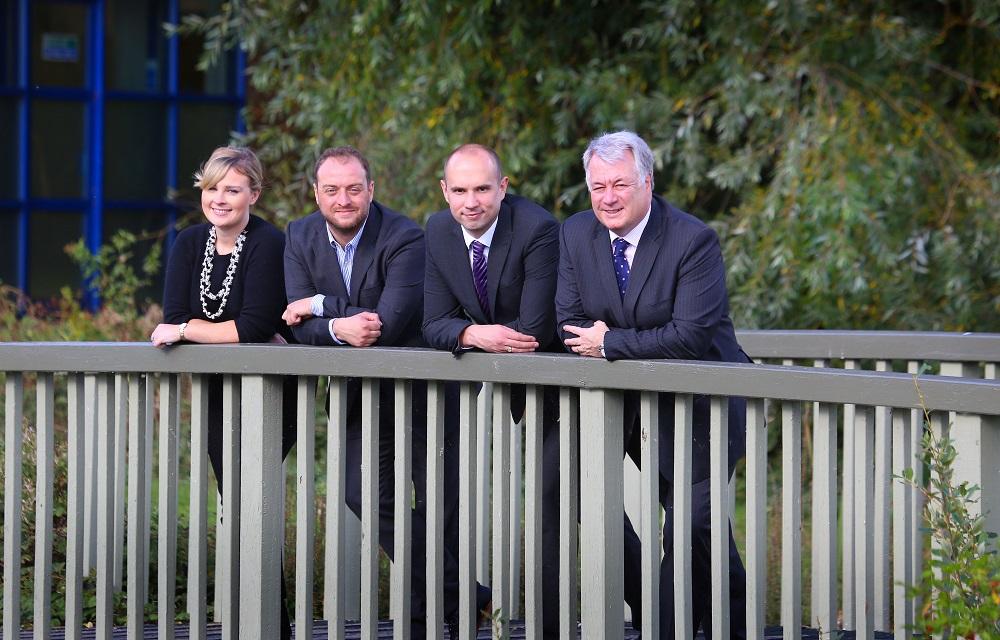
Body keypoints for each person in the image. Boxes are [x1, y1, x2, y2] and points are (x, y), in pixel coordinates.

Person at [556, 130, 750, 639]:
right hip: (632, 408)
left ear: (648, 181)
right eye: (598, 187)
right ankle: (740, 620)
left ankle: (663, 628)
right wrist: (603, 341)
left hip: (703, 406)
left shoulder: (692, 240)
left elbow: (689, 336)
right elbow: (568, 322)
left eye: (620, 184)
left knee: (692, 525)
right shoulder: (576, 234)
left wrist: (612, 341)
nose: (609, 197)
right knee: (698, 530)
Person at [281, 146, 440, 637]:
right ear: (316, 193)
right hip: (354, 393)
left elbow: (384, 324)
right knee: (360, 493)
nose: (343, 199)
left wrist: (319, 305)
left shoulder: (405, 236)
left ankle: (423, 618)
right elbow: (292, 326)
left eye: (354, 188)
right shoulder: (299, 234)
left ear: (371, 190)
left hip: (417, 390)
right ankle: (464, 595)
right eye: (331, 189)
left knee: (435, 499)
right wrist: (334, 325)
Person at [150, 145, 296, 639]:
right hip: (216, 395)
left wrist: (189, 328)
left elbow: (255, 326)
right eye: (212, 188)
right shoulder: (190, 243)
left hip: (271, 395)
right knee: (234, 499)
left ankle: (270, 621)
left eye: (232, 189)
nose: (220, 198)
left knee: (252, 496)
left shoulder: (269, 243)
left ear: (253, 193)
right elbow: (170, 318)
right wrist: (196, 327)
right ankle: (257, 619)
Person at [422, 143, 557, 636]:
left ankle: (556, 622)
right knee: (453, 494)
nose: (471, 201)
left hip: (557, 383)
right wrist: (471, 333)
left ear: (504, 188)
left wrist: (479, 333)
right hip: (487, 378)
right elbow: (431, 322)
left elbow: (535, 330)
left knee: (561, 502)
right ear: (444, 192)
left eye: (483, 188)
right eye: (459, 190)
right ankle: (466, 610)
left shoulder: (537, 229)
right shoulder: (438, 230)